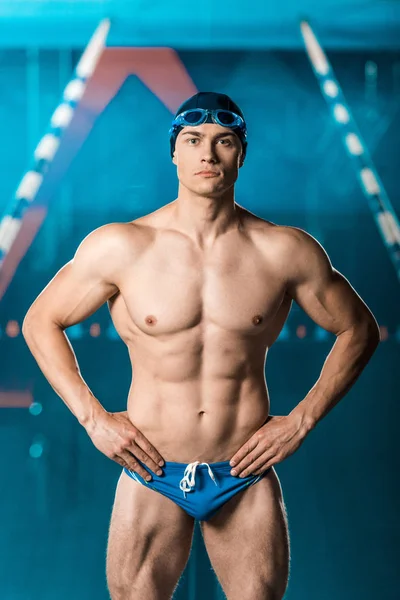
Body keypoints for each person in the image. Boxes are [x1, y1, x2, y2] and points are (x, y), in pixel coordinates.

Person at [22, 91, 380, 600]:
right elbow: (41, 321)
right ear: (174, 152)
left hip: (243, 469)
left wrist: (301, 420)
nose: (207, 154)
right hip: (152, 466)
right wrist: (94, 419)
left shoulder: (283, 250)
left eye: (223, 141)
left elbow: (359, 329)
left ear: (241, 153)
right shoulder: (123, 246)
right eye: (193, 140)